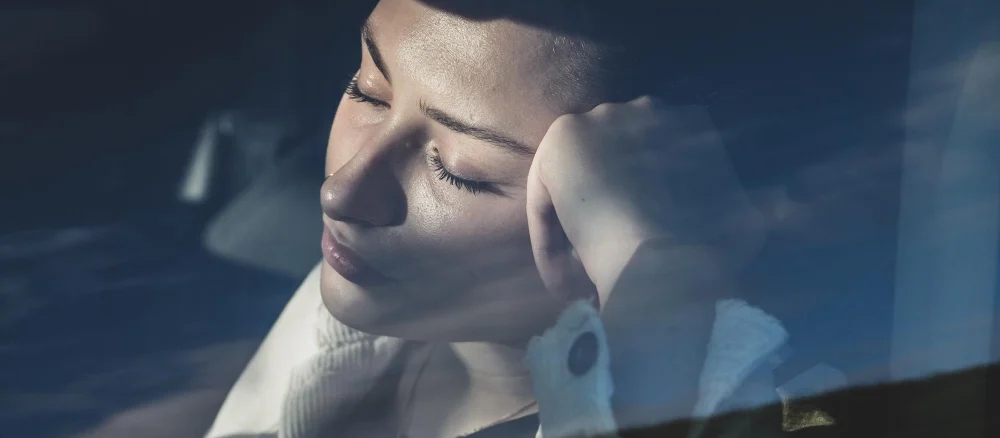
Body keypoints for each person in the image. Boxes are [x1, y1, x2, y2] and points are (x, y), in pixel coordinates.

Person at [205, 1, 838, 437]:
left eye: (460, 170)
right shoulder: (358, 310)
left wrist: (655, 272)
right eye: (368, 89)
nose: (342, 192)